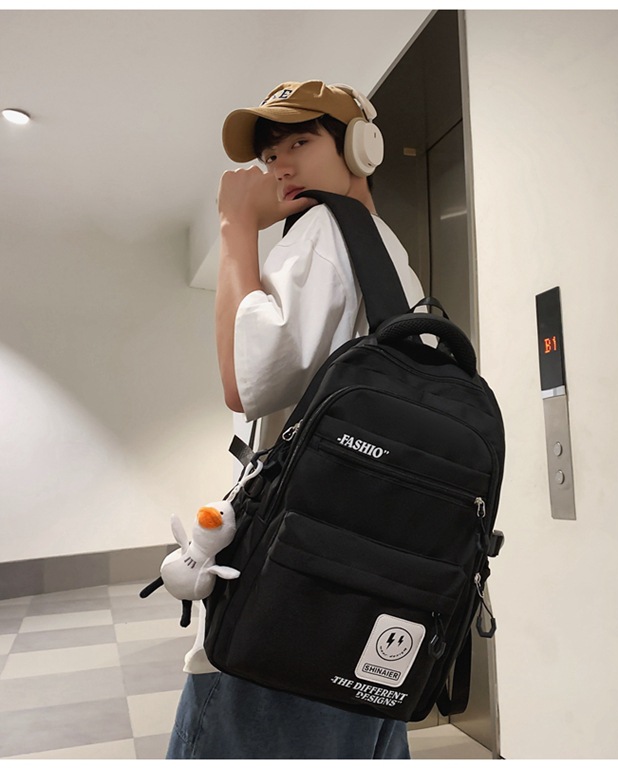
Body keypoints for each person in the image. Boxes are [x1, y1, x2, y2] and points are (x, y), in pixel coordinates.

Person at [166, 80, 424, 759]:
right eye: (271, 154)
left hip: (299, 574)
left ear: (362, 146)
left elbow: (240, 382)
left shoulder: (322, 233)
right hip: (376, 566)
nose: (280, 165)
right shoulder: (389, 256)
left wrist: (235, 227)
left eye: (300, 142)